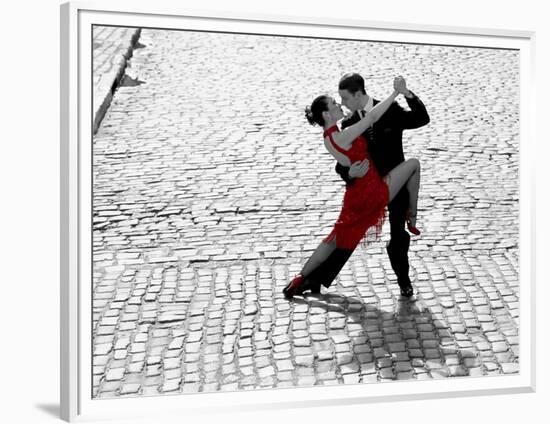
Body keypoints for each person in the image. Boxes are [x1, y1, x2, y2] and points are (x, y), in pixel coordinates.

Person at [283, 77, 421, 299]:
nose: (340, 104)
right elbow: (374, 116)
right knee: (414, 164)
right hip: (373, 191)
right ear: (327, 114)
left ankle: (300, 279)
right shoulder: (346, 131)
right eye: (335, 104)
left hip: (356, 197)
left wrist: (405, 95)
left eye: (342, 100)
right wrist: (395, 93)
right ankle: (413, 213)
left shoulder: (329, 137)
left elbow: (420, 119)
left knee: (333, 240)